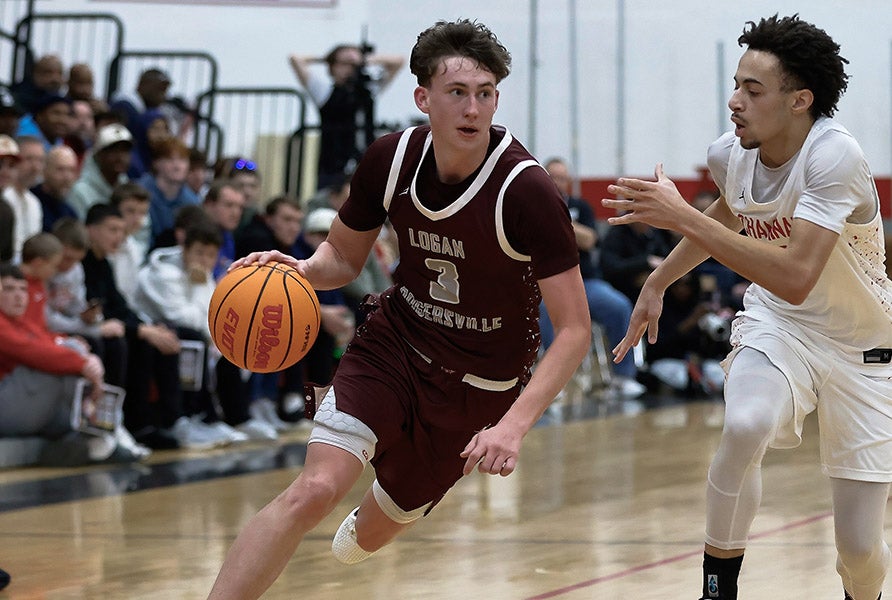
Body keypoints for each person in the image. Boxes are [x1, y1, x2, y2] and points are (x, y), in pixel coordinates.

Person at [208, 19, 590, 599]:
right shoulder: (391, 159)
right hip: (395, 346)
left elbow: (575, 329)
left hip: (479, 386)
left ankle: (376, 515)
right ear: (423, 98)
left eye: (485, 93)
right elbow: (342, 256)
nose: (473, 108)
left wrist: (513, 427)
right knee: (313, 489)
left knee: (368, 538)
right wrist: (299, 270)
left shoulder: (527, 190)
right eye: (457, 92)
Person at [603, 15, 891, 600]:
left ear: (799, 100)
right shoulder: (730, 154)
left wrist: (680, 215)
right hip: (780, 324)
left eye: (753, 90)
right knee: (745, 423)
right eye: (736, 85)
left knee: (860, 550)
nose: (734, 101)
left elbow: (795, 275)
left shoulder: (833, 157)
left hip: (862, 345)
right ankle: (717, 591)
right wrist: (658, 281)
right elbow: (731, 212)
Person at [0, 262, 146, 465]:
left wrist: (81, 353)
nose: (18, 296)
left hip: (24, 407)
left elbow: (46, 340)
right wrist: (83, 363)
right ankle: (108, 434)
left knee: (71, 349)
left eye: (23, 290)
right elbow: (32, 351)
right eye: (8, 289)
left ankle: (102, 439)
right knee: (59, 363)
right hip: (6, 408)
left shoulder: (21, 323)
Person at [540, 157, 645, 397]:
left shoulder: (581, 207)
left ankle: (623, 376)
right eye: (552, 177)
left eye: (562, 178)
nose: (557, 182)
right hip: (547, 284)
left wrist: (554, 217)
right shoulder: (531, 207)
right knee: (545, 311)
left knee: (619, 306)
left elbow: (589, 240)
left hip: (586, 281)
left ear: (568, 181)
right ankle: (549, 383)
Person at [289, 44, 404, 189]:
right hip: (332, 165)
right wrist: (328, 58)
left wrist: (366, 60)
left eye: (353, 65)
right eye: (343, 64)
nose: (349, 69)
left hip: (363, 162)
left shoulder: (368, 90)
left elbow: (399, 61)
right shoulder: (324, 92)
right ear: (332, 67)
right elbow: (296, 59)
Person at [139, 136, 200, 245]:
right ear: (156, 163)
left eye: (182, 160)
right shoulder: (139, 192)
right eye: (170, 160)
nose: (177, 166)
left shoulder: (192, 202)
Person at [68, 123, 133, 220]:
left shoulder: (128, 189)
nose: (120, 157)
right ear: (99, 155)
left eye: (125, 151)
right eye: (113, 151)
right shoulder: (79, 191)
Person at [2, 136, 44, 262]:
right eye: (29, 159)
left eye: (40, 160)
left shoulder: (34, 202)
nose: (35, 167)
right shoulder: (4, 197)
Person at [32, 145, 79, 232]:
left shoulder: (70, 213)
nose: (67, 177)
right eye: (60, 169)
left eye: (71, 170)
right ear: (45, 171)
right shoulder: (32, 201)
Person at [0, 135, 20, 262]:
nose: (5, 171)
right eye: (0, 164)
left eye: (11, 166)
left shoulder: (6, 211)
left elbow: (5, 258)